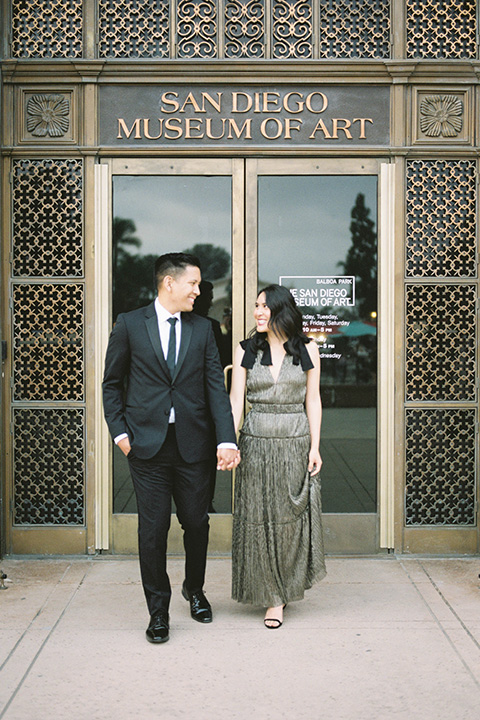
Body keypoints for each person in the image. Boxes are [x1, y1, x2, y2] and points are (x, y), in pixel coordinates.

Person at [102, 252, 240, 644]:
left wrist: (226, 437)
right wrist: (121, 436)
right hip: (146, 448)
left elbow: (216, 385)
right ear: (169, 283)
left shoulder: (203, 329)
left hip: (195, 446)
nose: (199, 291)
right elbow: (111, 384)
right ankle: (158, 610)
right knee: (153, 529)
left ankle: (193, 589)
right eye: (193, 284)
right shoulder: (130, 324)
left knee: (196, 522)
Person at [229, 284, 326, 629]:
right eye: (256, 306)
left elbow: (312, 400)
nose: (257, 312)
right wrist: (230, 441)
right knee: (258, 519)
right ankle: (271, 596)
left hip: (295, 441)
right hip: (255, 442)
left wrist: (315, 447)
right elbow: (236, 401)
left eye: (264, 307)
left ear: (281, 311)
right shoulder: (246, 350)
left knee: (289, 521)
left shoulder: (308, 349)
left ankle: (283, 590)